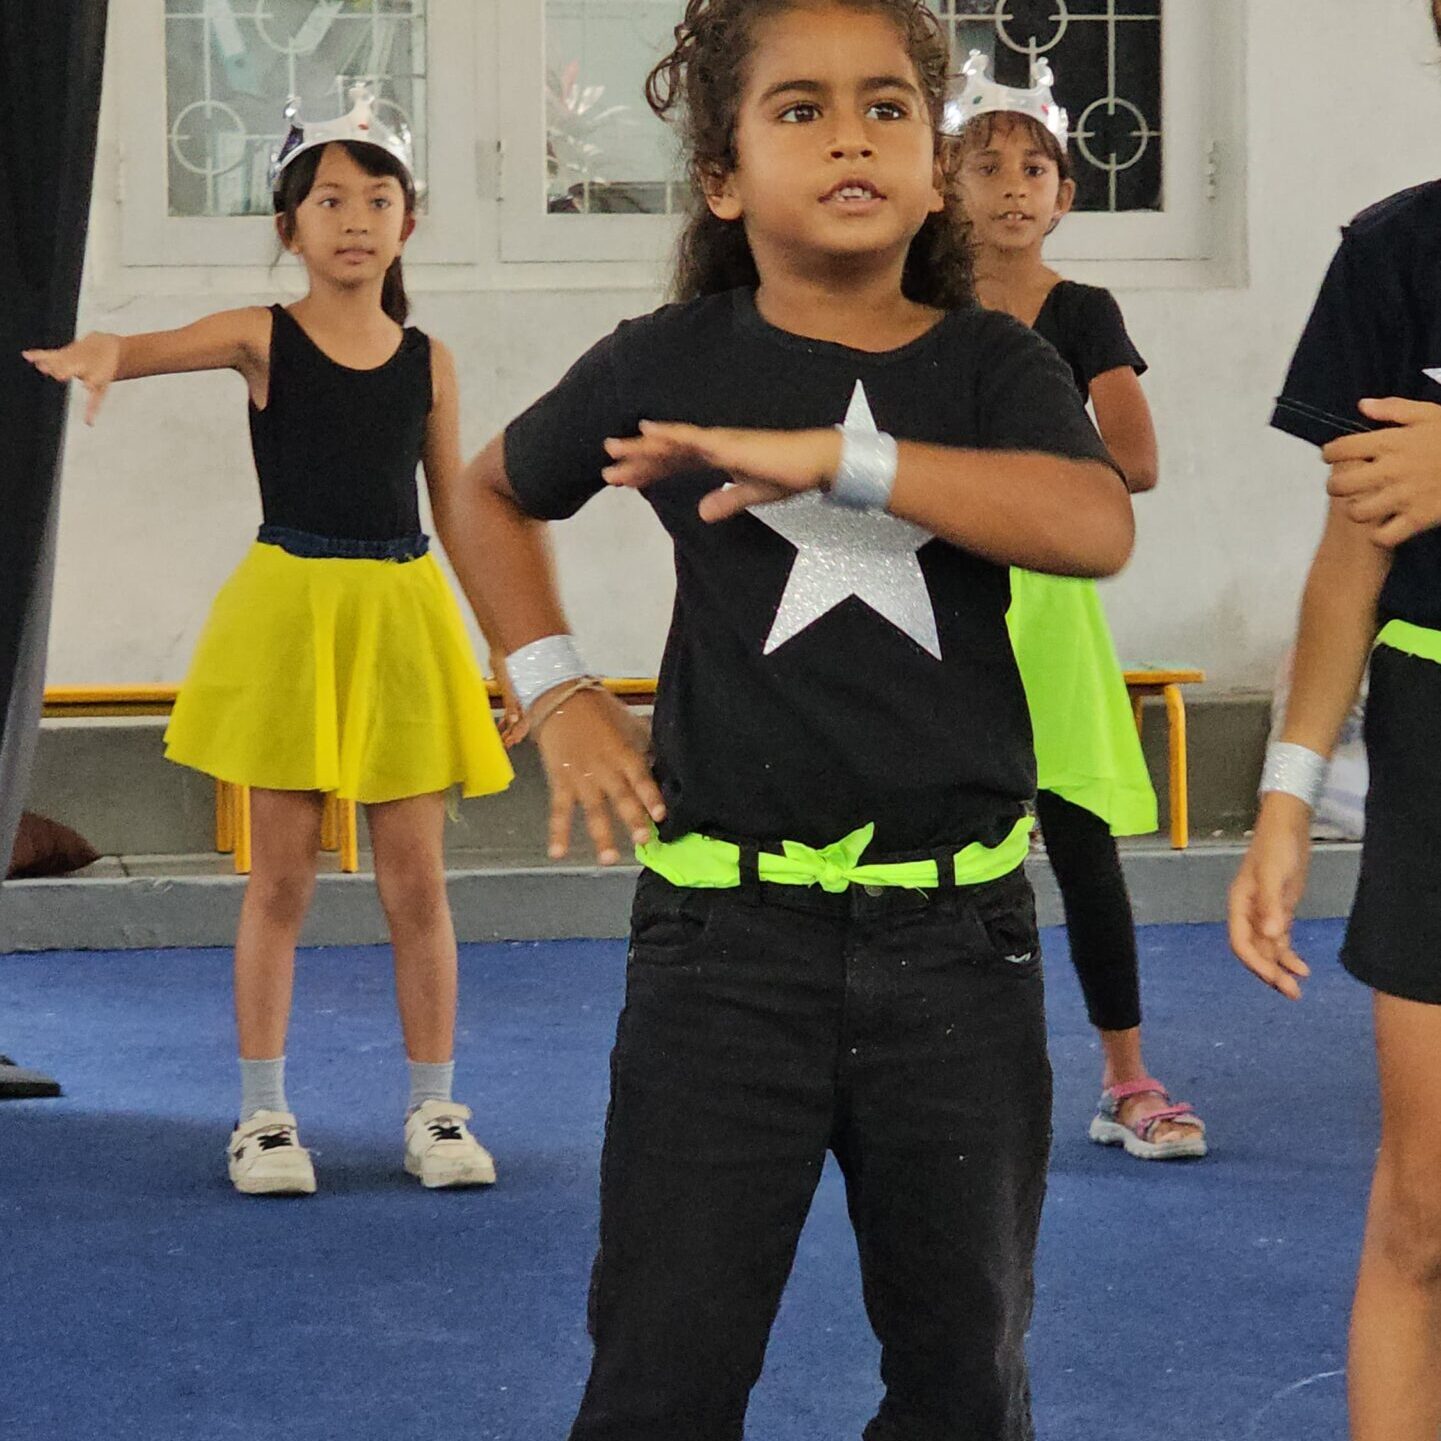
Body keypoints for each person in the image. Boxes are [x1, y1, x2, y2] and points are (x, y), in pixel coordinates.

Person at [443, 2, 1133, 1434]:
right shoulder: (665, 359)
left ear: (934, 173)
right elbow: (488, 491)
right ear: (721, 176)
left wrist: (844, 458)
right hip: (724, 951)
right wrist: (555, 687)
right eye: (799, 110)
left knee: (964, 1379)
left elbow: (1090, 523)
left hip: (957, 952)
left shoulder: (992, 364)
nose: (850, 139)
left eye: (887, 108)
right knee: (664, 1373)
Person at [23, 86, 514, 1197]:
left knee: (417, 884)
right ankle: (262, 1116)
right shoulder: (263, 337)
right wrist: (102, 352)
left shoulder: (429, 360)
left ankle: (436, 1106)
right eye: (328, 200)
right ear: (289, 227)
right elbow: (148, 346)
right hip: (291, 619)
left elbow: (457, 511)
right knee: (280, 878)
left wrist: (506, 650)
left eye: (376, 199)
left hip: (400, 621)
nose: (354, 219)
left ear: (408, 223)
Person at [1229, 3, 1441, 1430]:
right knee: (1423, 1208)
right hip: (1436, 751)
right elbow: (1351, 552)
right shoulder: (1396, 254)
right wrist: (1288, 793)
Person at [950, 52, 1205, 1160]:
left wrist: (1011, 490)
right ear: (943, 186)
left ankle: (1125, 1075)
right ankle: (943, 1077)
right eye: (985, 165)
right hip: (934, 600)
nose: (1012, 186)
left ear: (1062, 194)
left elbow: (1133, 461)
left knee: (1079, 839)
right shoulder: (917, 310)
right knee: (948, 844)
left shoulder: (1084, 312)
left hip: (1047, 609)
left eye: (1033, 168)